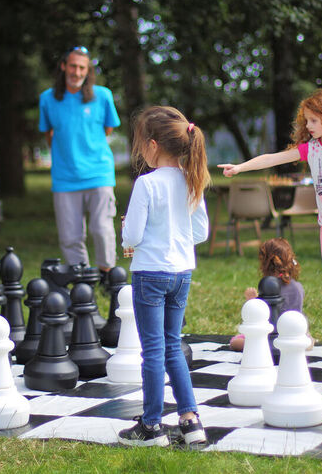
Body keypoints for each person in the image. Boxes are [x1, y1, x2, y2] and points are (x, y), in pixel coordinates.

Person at [219, 88, 322, 364]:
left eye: (313, 120)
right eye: (307, 120)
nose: (307, 126)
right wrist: (240, 168)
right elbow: (272, 158)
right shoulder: (311, 150)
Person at [117, 106, 210, 448]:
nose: (141, 150)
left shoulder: (146, 184)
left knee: (153, 350)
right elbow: (200, 231)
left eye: (141, 144)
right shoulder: (191, 178)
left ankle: (151, 425)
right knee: (172, 345)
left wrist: (128, 233)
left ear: (153, 145)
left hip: (150, 274)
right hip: (182, 272)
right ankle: (190, 420)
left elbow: (133, 237)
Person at [39, 46, 122, 286]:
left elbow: (108, 129)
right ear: (64, 66)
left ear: (88, 71)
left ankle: (108, 278)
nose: (77, 72)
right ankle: (82, 280)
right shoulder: (47, 99)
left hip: (99, 174)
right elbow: (49, 133)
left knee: (101, 228)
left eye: (82, 68)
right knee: (70, 236)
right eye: (73, 66)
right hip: (64, 177)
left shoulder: (103, 96)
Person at [229, 237, 304, 352]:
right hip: (293, 332)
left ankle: (266, 347)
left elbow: (263, 318)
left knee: (235, 342)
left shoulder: (268, 286)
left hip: (271, 336)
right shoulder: (298, 287)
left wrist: (252, 301)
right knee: (306, 339)